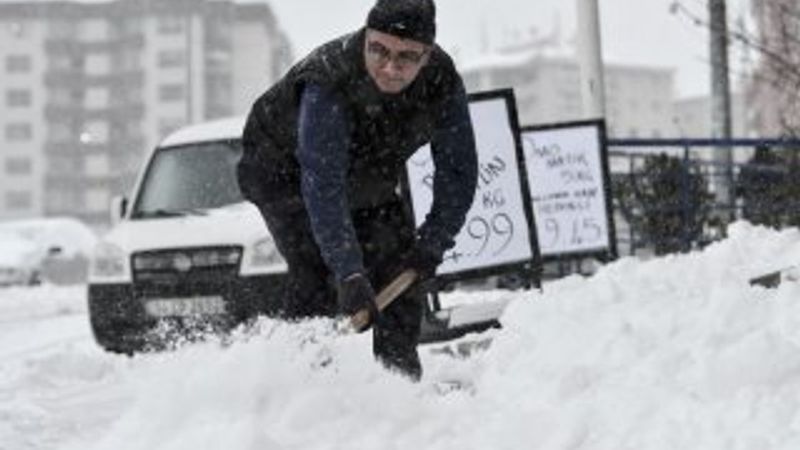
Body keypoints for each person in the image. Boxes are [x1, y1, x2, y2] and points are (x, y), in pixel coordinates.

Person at [237, 0, 478, 380]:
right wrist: (349, 274)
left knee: (400, 262)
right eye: (378, 49)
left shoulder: (441, 81)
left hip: (368, 162)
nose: (389, 66)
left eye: (406, 57)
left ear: (427, 57)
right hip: (281, 169)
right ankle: (300, 382)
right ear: (366, 37)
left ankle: (399, 384)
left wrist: (433, 242)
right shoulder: (329, 80)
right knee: (315, 270)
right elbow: (323, 185)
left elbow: (458, 170)